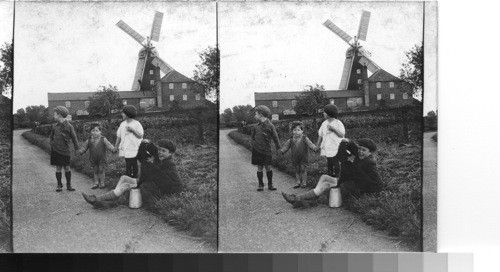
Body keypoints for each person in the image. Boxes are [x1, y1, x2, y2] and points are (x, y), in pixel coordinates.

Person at [282, 138, 382, 208]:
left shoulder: (369, 163)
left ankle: (297, 199)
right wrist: (347, 141)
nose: (360, 151)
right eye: (359, 149)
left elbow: (378, 184)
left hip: (354, 188)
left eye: (363, 150)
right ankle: (312, 198)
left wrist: (366, 193)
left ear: (370, 152)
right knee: (324, 176)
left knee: (326, 184)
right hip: (351, 182)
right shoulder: (362, 156)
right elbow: (353, 147)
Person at [82, 139, 183, 208]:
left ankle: (98, 200)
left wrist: (170, 194)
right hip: (153, 183)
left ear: (171, 153)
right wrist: (147, 142)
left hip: (159, 189)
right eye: (159, 150)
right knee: (123, 177)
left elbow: (176, 184)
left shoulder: (168, 164)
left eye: (163, 151)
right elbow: (153, 152)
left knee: (126, 185)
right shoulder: (162, 159)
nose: (160, 152)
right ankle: (114, 196)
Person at [251, 105, 282, 191]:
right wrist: (254, 145)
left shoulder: (270, 126)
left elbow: (275, 137)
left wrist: (279, 148)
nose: (255, 115)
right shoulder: (255, 126)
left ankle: (270, 184)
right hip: (257, 150)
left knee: (268, 167)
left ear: (260, 114)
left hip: (267, 150)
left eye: (256, 114)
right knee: (259, 168)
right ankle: (261, 185)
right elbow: (252, 137)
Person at [49, 106, 79, 192]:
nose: (54, 116)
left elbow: (74, 138)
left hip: (65, 151)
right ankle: (59, 185)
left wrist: (77, 149)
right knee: (58, 168)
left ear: (59, 115)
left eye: (55, 114)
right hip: (55, 150)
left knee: (67, 167)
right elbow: (51, 136)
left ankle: (69, 185)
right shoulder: (54, 126)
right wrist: (52, 143)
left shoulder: (69, 126)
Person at [78, 123, 117, 189]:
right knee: (95, 170)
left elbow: (109, 145)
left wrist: (113, 149)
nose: (95, 132)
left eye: (96, 131)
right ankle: (96, 183)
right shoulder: (89, 140)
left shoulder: (103, 139)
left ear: (100, 131)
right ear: (90, 131)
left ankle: (102, 183)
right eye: (93, 130)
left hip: (102, 158)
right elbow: (84, 147)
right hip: (93, 158)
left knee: (101, 170)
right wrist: (80, 151)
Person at [280, 121, 318, 188]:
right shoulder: (290, 140)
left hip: (304, 157)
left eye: (298, 130)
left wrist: (315, 148)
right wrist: (282, 151)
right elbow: (286, 146)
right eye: (294, 130)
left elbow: (310, 144)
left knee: (303, 169)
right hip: (295, 157)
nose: (296, 132)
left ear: (302, 131)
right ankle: (298, 182)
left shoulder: (305, 138)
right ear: (292, 131)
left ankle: (304, 182)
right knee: (297, 169)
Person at [316, 104, 345, 178]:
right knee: (329, 162)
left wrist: (334, 129)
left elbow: (341, 135)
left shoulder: (338, 123)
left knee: (336, 163)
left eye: (325, 112)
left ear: (330, 113)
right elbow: (320, 135)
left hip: (336, 147)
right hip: (328, 147)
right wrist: (317, 145)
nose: (323, 113)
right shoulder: (324, 123)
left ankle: (337, 178)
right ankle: (330, 176)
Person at [114, 105, 143, 178]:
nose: (122, 114)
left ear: (128, 113)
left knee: (134, 164)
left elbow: (140, 136)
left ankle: (134, 179)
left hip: (134, 148)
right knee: (128, 165)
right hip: (126, 148)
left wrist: (133, 130)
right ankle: (128, 179)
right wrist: (116, 146)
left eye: (123, 113)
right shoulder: (122, 124)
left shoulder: (136, 124)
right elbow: (119, 136)